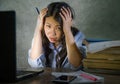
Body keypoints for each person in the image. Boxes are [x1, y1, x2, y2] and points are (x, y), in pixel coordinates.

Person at [28, 2, 88, 70]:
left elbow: (77, 65)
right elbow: (34, 64)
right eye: (48, 26)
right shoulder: (39, 37)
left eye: (58, 28)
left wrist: (67, 31)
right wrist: (38, 29)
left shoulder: (77, 37)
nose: (52, 34)